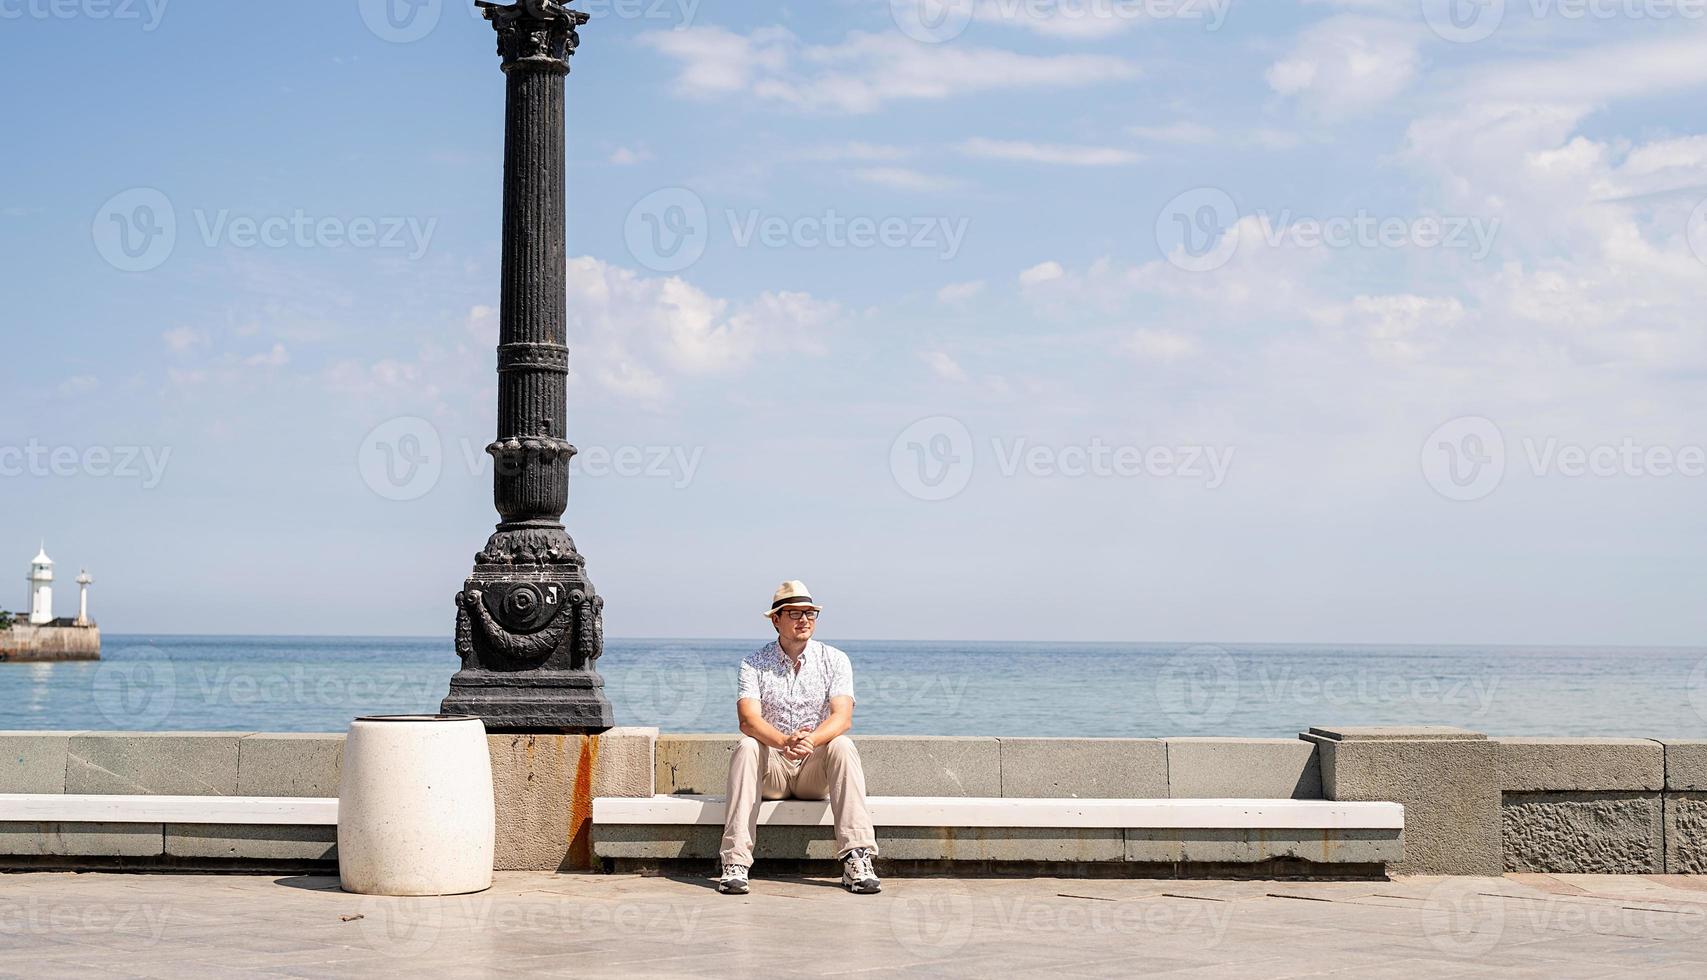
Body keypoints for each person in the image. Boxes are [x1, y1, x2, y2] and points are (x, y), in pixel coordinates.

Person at [717, 581, 880, 895]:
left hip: (813, 770)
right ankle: (735, 863)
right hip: (772, 772)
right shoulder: (753, 663)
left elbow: (842, 717)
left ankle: (857, 860)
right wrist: (782, 742)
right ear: (776, 620)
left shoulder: (835, 660)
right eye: (794, 613)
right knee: (748, 745)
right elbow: (748, 720)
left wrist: (811, 741)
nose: (804, 620)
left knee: (843, 746)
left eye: (810, 613)